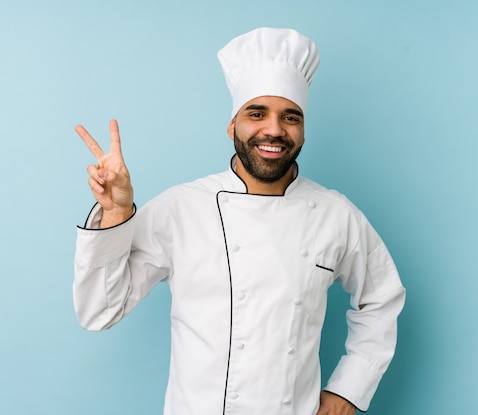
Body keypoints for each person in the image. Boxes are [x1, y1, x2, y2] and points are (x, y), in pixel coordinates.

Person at [73, 27, 405, 415]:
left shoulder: (335, 214)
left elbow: (381, 299)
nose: (274, 130)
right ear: (233, 126)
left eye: (290, 117)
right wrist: (115, 213)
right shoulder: (182, 209)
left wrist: (349, 390)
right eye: (257, 113)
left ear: (302, 131)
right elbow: (99, 310)